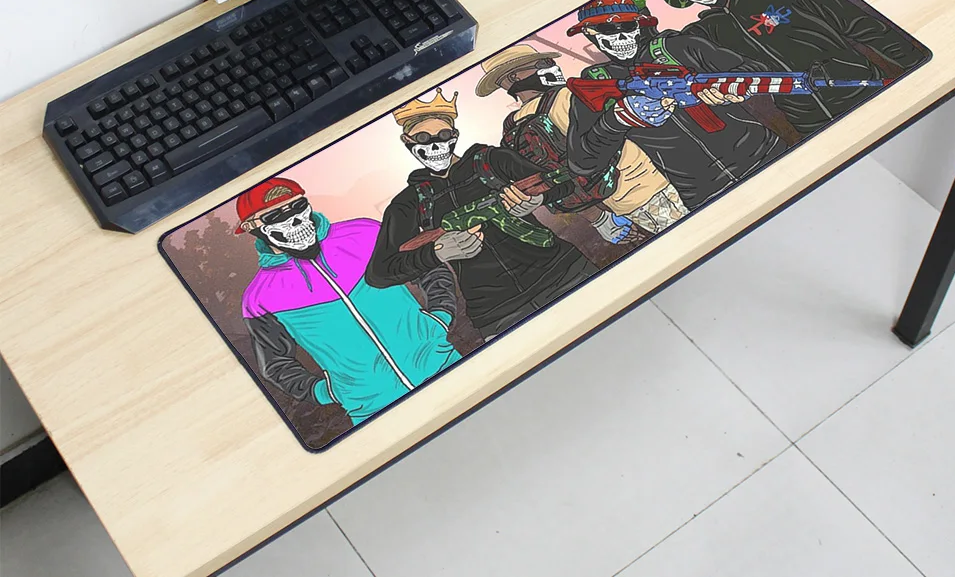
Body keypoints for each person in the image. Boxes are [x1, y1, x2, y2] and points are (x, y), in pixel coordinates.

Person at [366, 89, 597, 340]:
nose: (434, 145)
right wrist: (436, 253)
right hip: (498, 314)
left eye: (443, 135)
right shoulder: (410, 202)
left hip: (565, 273)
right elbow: (379, 272)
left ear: (454, 135)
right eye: (422, 137)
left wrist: (537, 199)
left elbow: (562, 184)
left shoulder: (490, 161)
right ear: (407, 141)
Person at [237, 177, 460, 426]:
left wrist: (440, 317)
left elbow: (427, 267)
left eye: (298, 207)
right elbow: (276, 365)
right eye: (275, 216)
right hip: (374, 412)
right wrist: (327, 392)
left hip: (447, 367)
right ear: (251, 227)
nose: (295, 220)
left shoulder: (366, 233)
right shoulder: (259, 298)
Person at [656, 0, 928, 135]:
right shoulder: (706, 33)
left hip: (862, 89)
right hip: (807, 121)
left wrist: (919, 72)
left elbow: (863, 27)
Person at [564, 0, 786, 211]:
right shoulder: (597, 82)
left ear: (639, 26)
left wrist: (733, 86)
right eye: (608, 29)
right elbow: (582, 163)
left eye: (627, 26)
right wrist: (616, 120)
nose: (621, 37)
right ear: (590, 33)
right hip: (704, 194)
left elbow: (756, 70)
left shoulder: (678, 47)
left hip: (767, 155)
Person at [475, 44, 687, 242]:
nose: (554, 67)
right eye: (544, 63)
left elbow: (550, 180)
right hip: (654, 186)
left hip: (618, 204)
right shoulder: (568, 95)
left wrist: (599, 219)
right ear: (515, 76)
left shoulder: (512, 126)